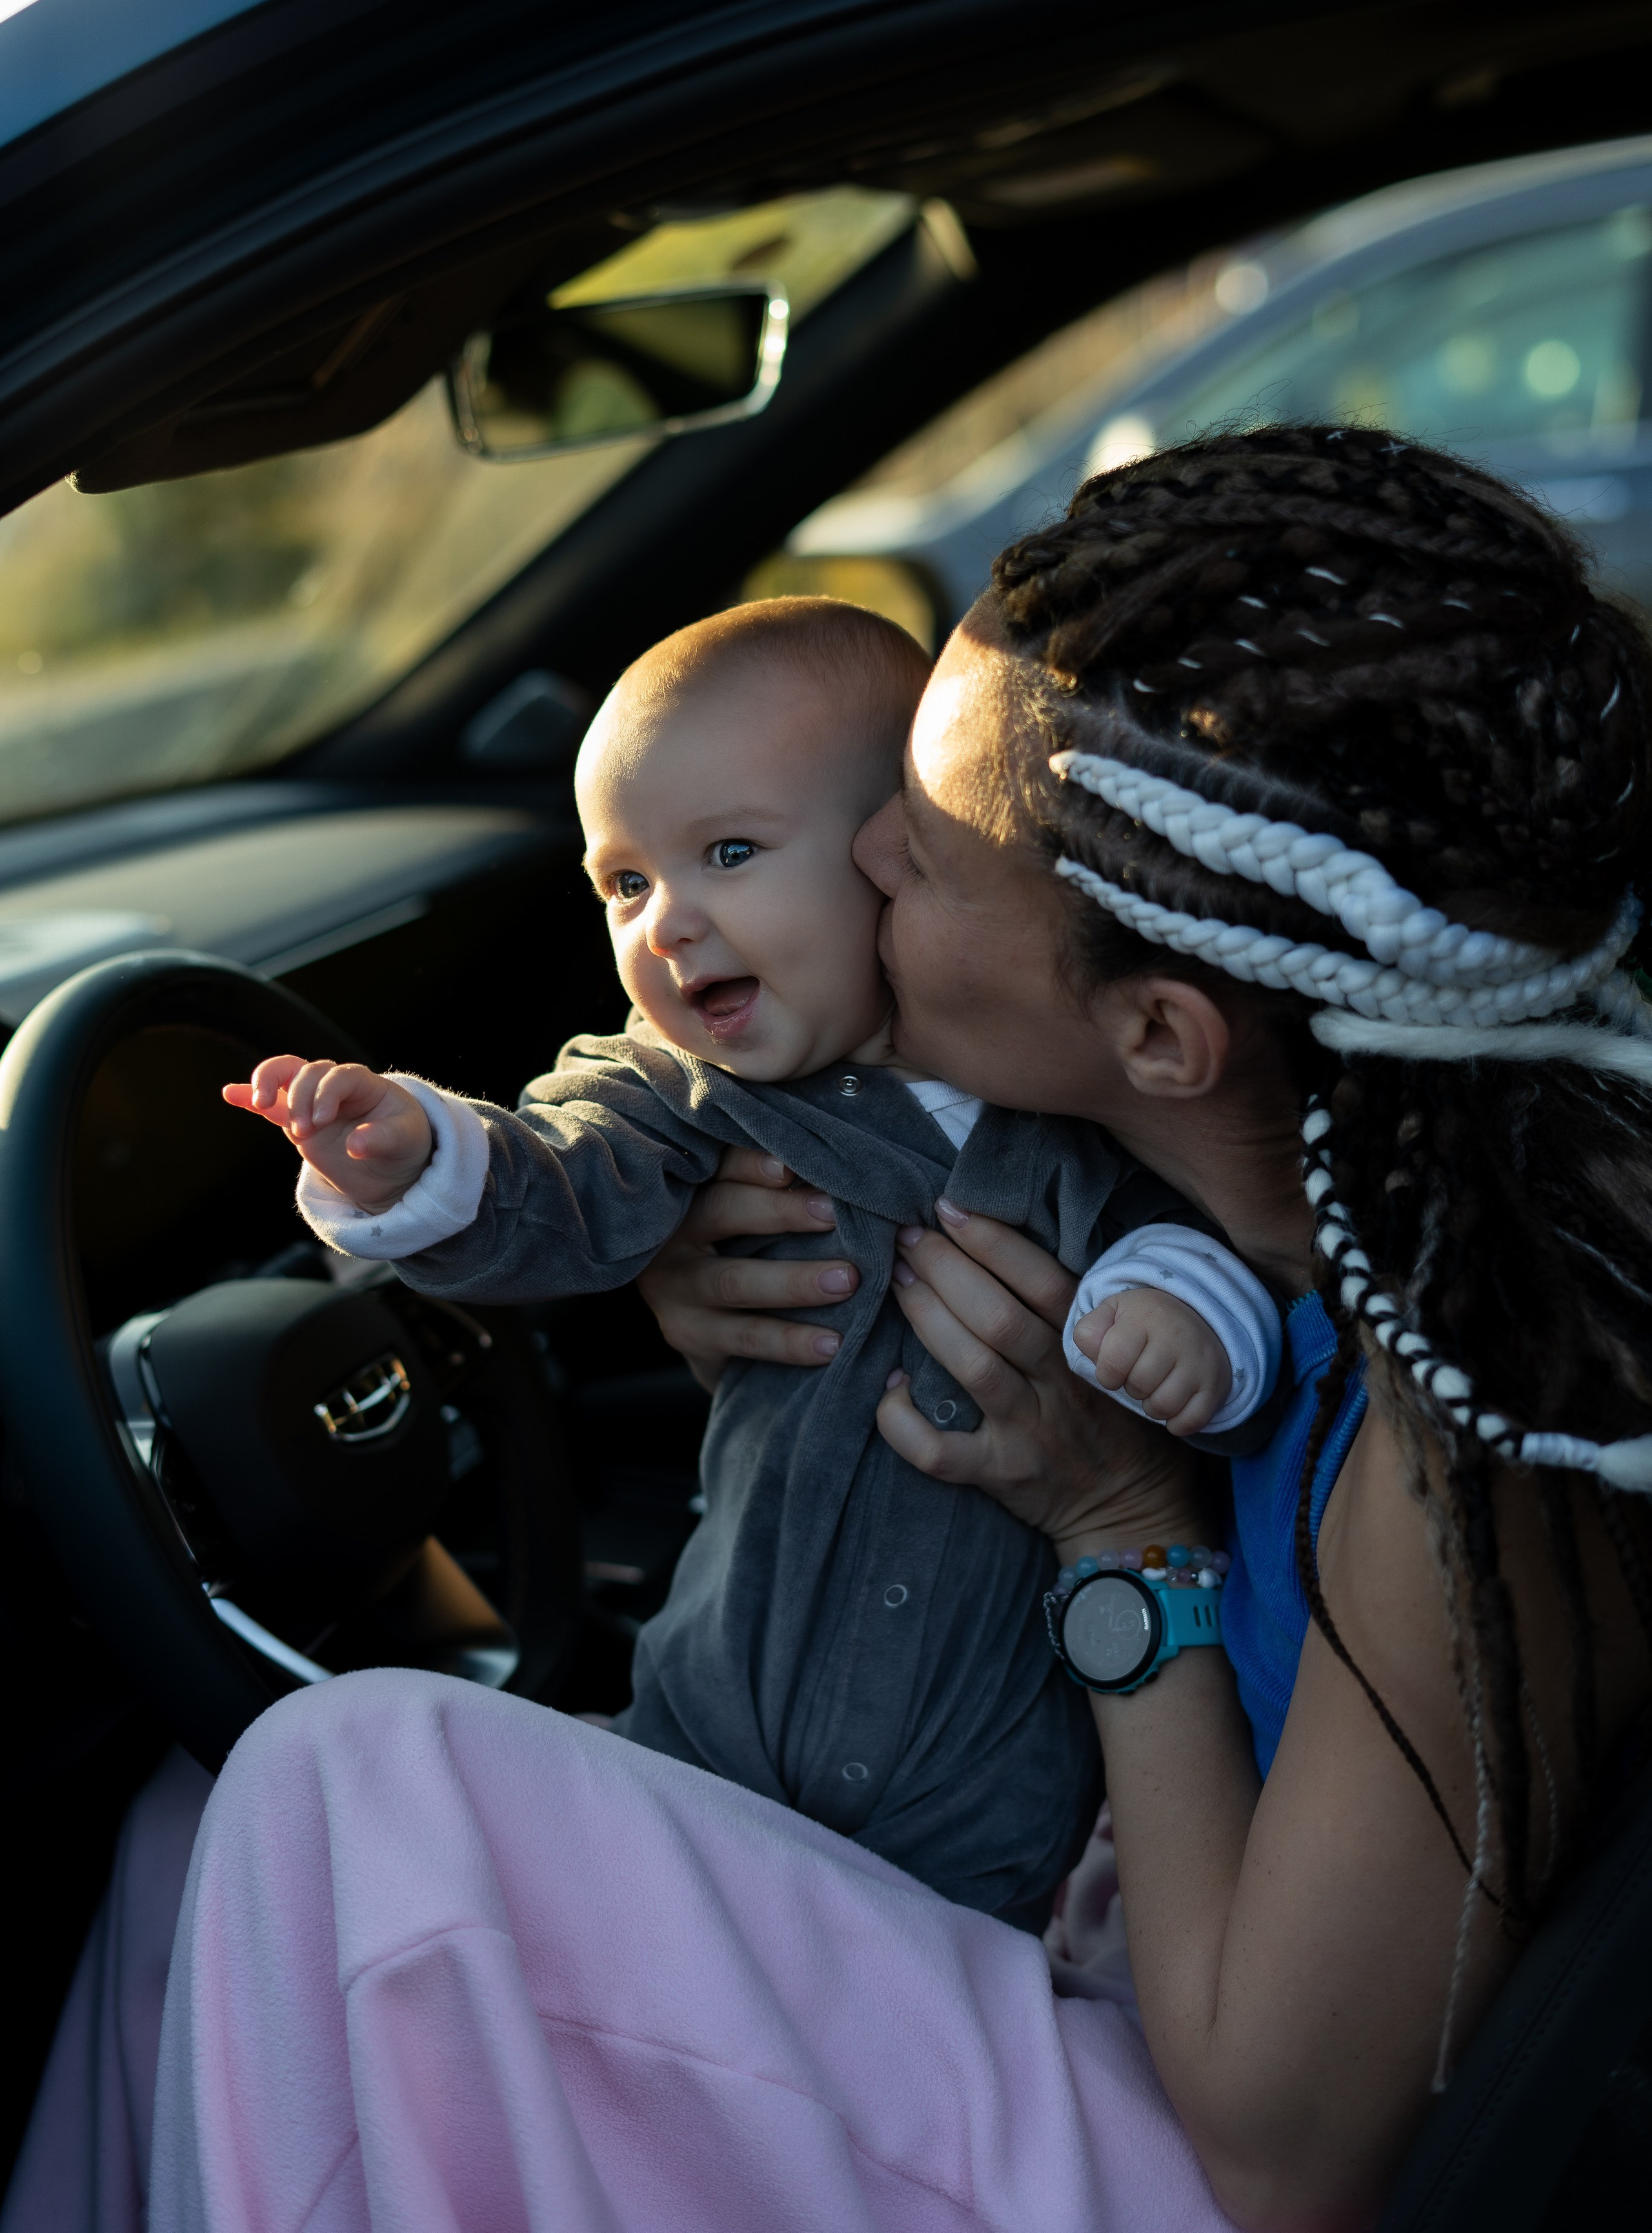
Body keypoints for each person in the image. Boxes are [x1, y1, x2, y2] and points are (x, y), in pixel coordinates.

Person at [17, 425, 1652, 2233]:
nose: (864, 849)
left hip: (1162, 2134)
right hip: (1006, 1935)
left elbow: (1283, 2159)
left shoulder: (1466, 1458)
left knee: (349, 1780)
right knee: (199, 1821)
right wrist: (673, 1263)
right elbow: (679, 1147)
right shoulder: (1255, 1193)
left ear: (1163, 1037)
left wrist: (1123, 1533)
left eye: (928, 856)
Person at [223, 594, 1278, 1928]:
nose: (663, 924)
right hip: (706, 1733)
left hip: (973, 1814)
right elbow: (557, 1181)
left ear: (896, 856)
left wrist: (1182, 1321)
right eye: (623, 881)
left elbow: (1170, 1246)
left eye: (728, 852)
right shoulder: (684, 1090)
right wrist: (413, 1156)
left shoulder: (1050, 1098)